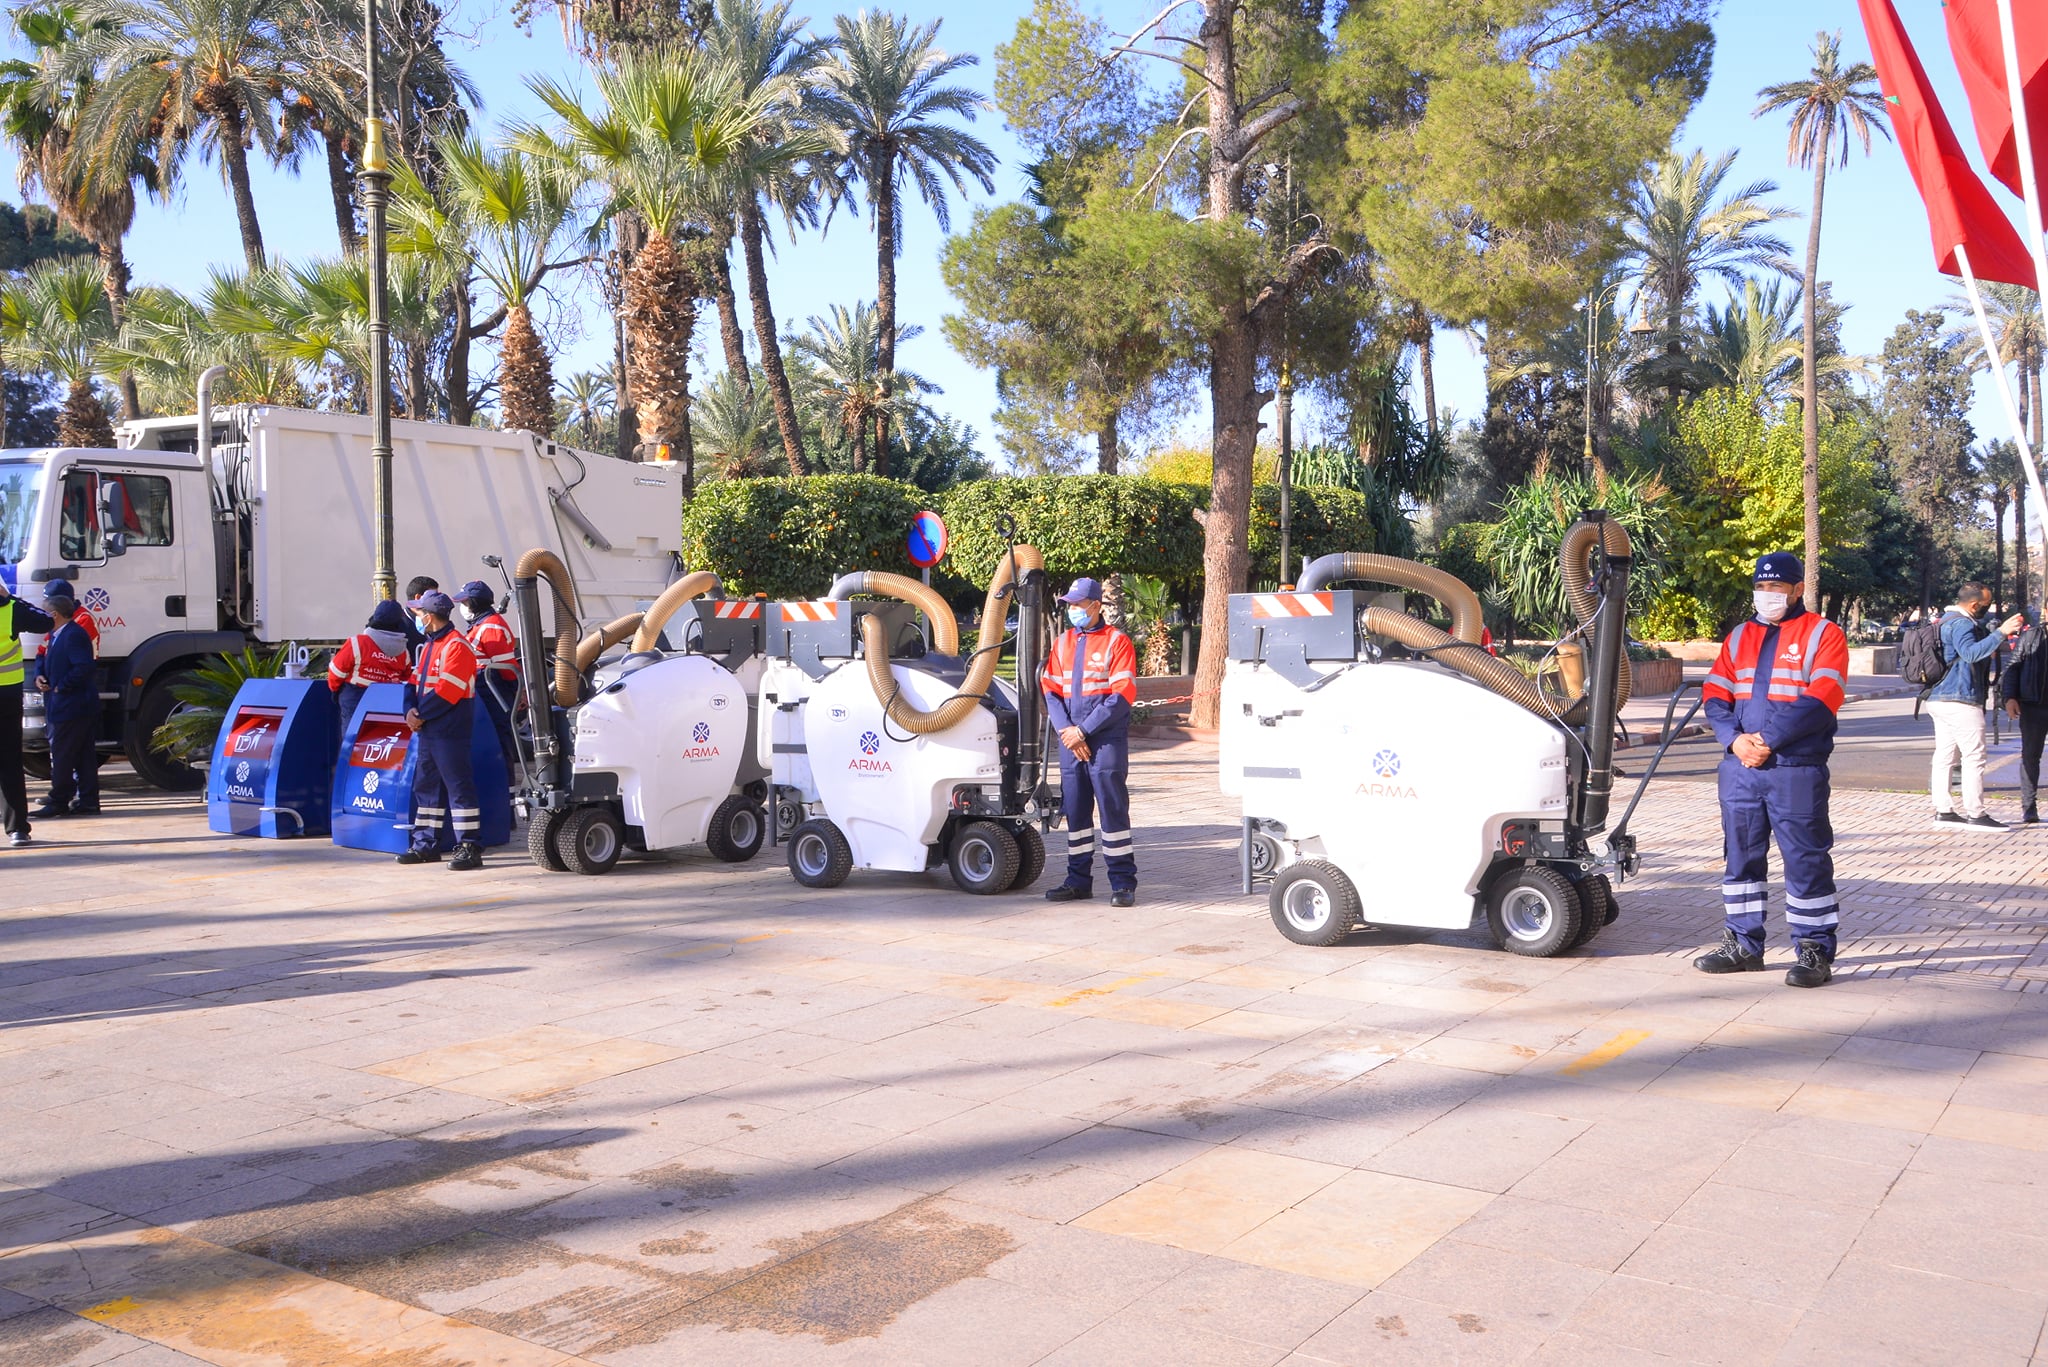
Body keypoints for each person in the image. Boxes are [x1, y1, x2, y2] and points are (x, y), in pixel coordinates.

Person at [1694, 553, 1852, 988]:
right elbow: (1715, 692)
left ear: (1798, 590)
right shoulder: (1740, 635)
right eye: (1761, 587)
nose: (1767, 595)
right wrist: (1733, 739)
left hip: (1794, 769)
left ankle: (1814, 951)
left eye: (1777, 588)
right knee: (1740, 858)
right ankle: (1743, 945)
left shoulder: (1824, 633)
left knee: (1806, 860)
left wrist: (1766, 740)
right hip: (1741, 768)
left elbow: (1822, 697)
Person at [1040, 577, 1139, 907]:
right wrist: (1068, 732)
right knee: (1077, 813)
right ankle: (1078, 880)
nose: (1072, 610)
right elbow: (1051, 691)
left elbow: (1121, 695)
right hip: (1071, 741)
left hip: (1105, 740)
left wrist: (1082, 731)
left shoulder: (1117, 642)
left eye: (1078, 604)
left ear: (1096, 606)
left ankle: (1123, 883)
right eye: (1069, 604)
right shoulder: (1063, 642)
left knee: (1112, 812)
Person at [1927, 581, 2025, 831]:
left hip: (1940, 697)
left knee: (1945, 757)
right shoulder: (1961, 623)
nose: (1988, 609)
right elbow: (1970, 654)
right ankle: (1976, 813)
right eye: (1986, 604)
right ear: (1973, 604)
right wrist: (2001, 633)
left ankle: (1944, 810)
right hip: (1960, 699)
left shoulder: (1945, 620)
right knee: (1974, 758)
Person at [400, 590, 484, 870]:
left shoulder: (456, 646)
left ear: (430, 616)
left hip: (449, 729)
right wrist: (409, 711)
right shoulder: (431, 644)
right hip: (429, 728)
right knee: (426, 788)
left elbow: (449, 691)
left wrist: (419, 715)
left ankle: (469, 847)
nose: (416, 616)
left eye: (419, 612)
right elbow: (412, 683)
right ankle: (425, 845)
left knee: (458, 787)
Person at [34, 588, 99, 819]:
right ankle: (88, 801)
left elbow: (84, 667)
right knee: (82, 755)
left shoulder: (73, 634)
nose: (40, 616)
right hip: (64, 705)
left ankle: (59, 800)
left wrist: (62, 686)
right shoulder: (56, 634)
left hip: (72, 706)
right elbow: (42, 657)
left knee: (62, 754)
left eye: (43, 612)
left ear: (54, 615)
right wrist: (39, 676)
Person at [0, 576, 55, 846]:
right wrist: (10, 599)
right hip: (7, 695)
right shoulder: (12, 609)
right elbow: (46, 620)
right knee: (10, 762)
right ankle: (17, 829)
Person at [455, 580, 520, 775]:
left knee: (498, 740)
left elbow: (507, 669)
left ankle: (504, 786)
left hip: (493, 692)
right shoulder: (482, 625)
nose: (462, 607)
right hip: (485, 690)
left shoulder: (492, 627)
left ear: (475, 603)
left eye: (465, 603)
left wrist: (516, 694)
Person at [327, 600, 413, 731]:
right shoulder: (403, 651)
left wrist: (336, 693)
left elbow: (335, 672)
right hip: (386, 700)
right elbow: (406, 677)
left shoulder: (358, 642)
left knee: (351, 742)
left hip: (355, 698)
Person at [2000, 606, 2048, 824]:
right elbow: (2013, 668)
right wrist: (2009, 697)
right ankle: (2029, 807)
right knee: (2030, 756)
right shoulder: (2031, 636)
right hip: (2033, 706)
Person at [403, 575, 440, 655]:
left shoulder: (435, 619)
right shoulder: (400, 625)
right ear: (418, 597)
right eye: (433, 596)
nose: (436, 600)